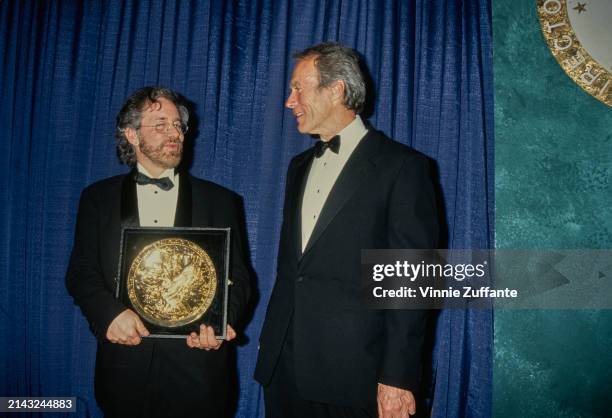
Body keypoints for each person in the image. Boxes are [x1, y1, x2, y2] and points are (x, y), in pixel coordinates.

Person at [255, 43, 439, 418]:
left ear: (336, 89)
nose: (289, 102)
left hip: (356, 376)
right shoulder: (298, 166)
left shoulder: (403, 167)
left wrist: (398, 377)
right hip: (284, 370)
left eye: (297, 88)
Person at [65, 87, 250, 417]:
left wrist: (221, 324)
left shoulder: (221, 201)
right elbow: (81, 273)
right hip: (125, 372)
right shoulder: (97, 199)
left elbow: (240, 279)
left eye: (178, 125)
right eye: (161, 124)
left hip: (200, 375)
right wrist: (109, 315)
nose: (174, 133)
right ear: (132, 134)